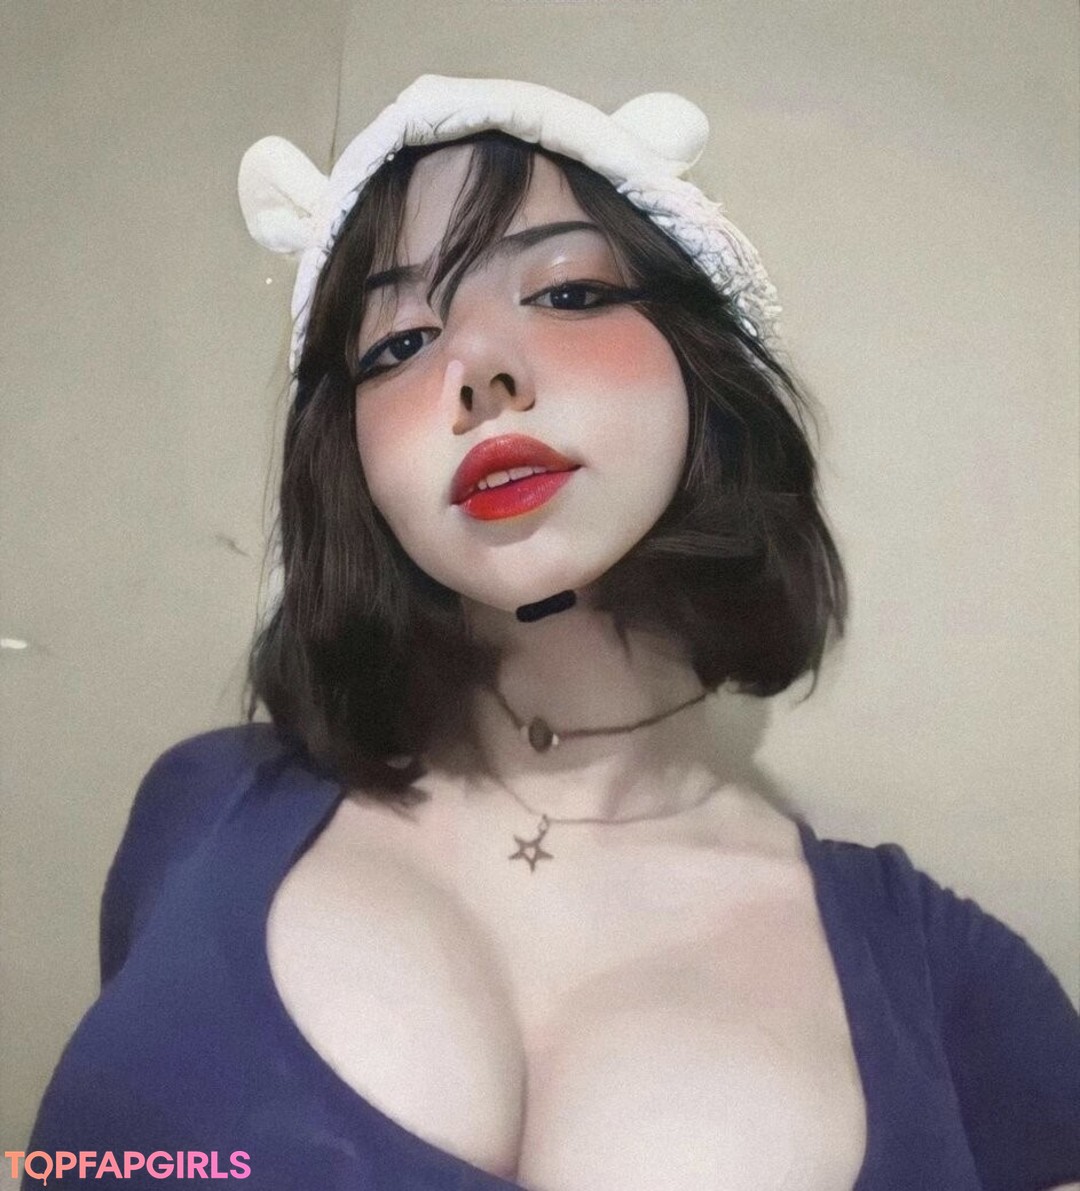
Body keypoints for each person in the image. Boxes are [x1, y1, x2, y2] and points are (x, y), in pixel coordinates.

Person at [22, 75, 1080, 1190]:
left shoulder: (956, 991)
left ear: (702, 358)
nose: (477, 368)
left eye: (569, 293)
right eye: (399, 342)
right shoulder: (200, 812)